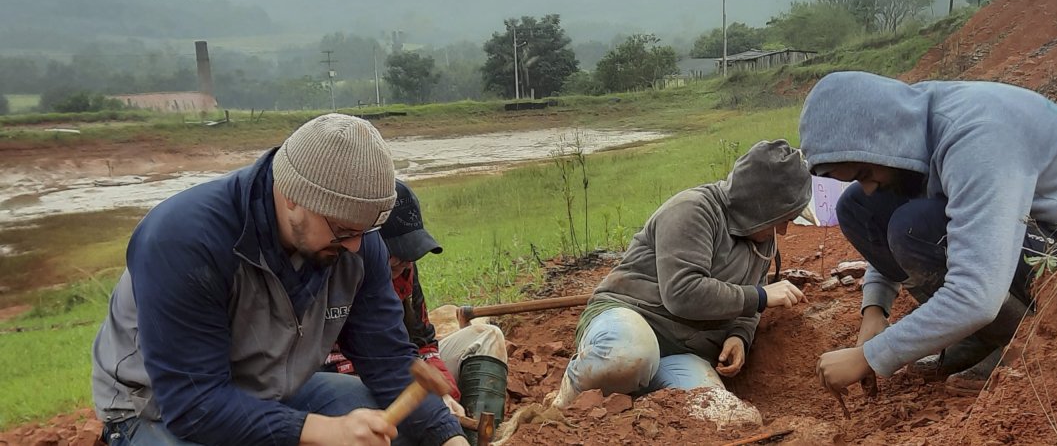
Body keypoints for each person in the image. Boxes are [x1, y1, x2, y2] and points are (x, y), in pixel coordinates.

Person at [91, 113, 468, 446]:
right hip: (157, 407)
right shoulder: (184, 241)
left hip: (271, 390)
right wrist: (325, 432)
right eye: (343, 229)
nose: (356, 247)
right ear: (291, 196)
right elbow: (194, 405)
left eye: (365, 231)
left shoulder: (357, 243)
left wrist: (446, 434)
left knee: (396, 433)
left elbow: (386, 359)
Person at [800, 72, 1057, 396]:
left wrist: (869, 357)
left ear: (884, 138)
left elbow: (976, 293)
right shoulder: (913, 121)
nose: (869, 186)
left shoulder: (976, 136)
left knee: (915, 227)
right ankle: (982, 334)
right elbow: (885, 206)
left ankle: (1025, 340)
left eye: (864, 172)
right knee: (858, 207)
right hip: (1033, 231)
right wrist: (874, 309)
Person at [552, 139, 812, 406]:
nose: (782, 231)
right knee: (628, 358)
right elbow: (682, 293)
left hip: (683, 351)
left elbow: (749, 302)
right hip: (631, 316)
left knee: (719, 414)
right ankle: (563, 403)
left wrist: (739, 336)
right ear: (761, 207)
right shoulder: (693, 210)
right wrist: (760, 297)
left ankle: (630, 399)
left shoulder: (762, 239)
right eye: (783, 220)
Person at [324, 180, 508, 435]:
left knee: (487, 337)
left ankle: (478, 435)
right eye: (395, 255)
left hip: (403, 369)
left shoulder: (405, 271)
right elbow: (351, 364)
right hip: (362, 381)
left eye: (409, 254)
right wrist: (426, 401)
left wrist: (445, 394)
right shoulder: (339, 275)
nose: (404, 263)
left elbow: (423, 343)